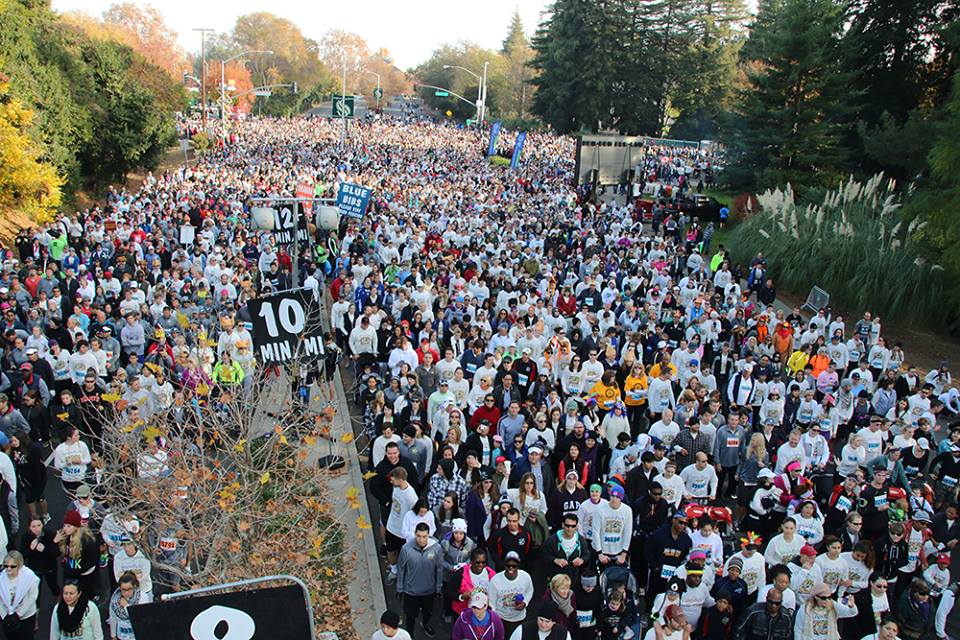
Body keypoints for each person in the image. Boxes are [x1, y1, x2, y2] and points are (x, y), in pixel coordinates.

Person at [396, 522, 443, 638]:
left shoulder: (436, 548)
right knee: (410, 616)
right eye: (418, 536)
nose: (421, 540)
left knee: (428, 612)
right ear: (415, 534)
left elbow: (439, 569)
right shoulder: (406, 549)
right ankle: (410, 634)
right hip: (410, 591)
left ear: (429, 535)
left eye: (424, 536)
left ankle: (425, 624)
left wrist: (438, 587)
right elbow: (401, 569)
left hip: (429, 590)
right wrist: (399, 588)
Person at [0, 551, 39, 640]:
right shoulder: (1, 579)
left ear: (19, 565)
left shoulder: (29, 577)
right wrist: (4, 615)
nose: (8, 569)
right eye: (6, 566)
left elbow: (32, 597)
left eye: (12, 566)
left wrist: (18, 614)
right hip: (7, 618)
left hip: (26, 617)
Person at [109, 571, 150, 640]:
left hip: (137, 635)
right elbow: (113, 617)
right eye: (123, 590)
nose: (126, 592)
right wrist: (113, 635)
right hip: (122, 635)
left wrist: (126, 606)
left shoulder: (143, 597)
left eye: (129, 589)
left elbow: (140, 617)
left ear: (134, 586)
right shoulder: (115, 599)